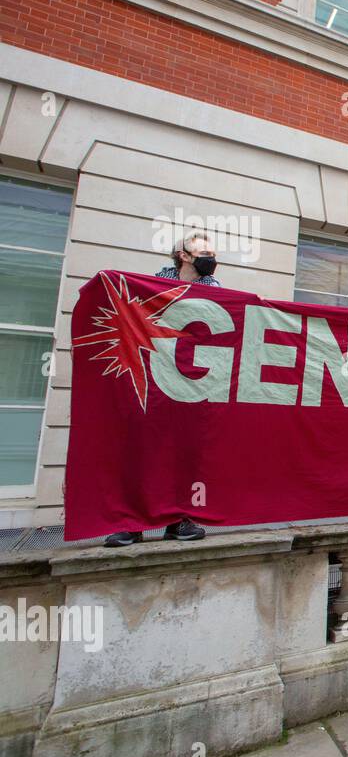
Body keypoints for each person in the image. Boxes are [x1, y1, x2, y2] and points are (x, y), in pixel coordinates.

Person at [104, 231, 221, 548]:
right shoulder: (151, 285)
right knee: (143, 451)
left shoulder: (218, 293)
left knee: (184, 453)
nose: (212, 257)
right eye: (204, 251)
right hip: (153, 381)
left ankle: (178, 519)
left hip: (190, 385)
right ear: (183, 255)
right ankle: (132, 523)